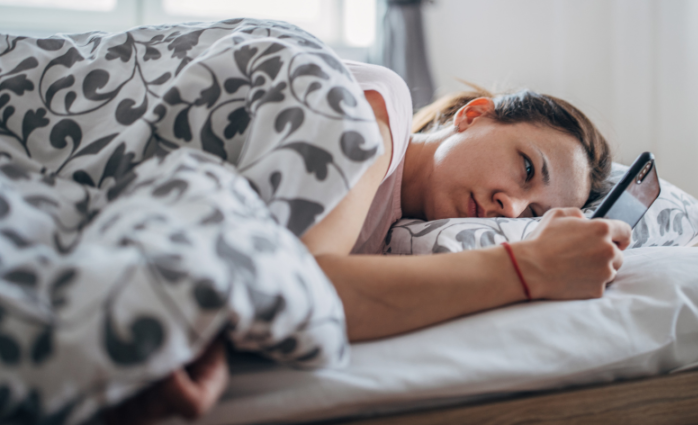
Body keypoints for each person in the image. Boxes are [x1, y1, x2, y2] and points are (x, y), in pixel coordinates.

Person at [105, 62, 631, 424]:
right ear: (474, 115)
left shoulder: (389, 234)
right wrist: (532, 266)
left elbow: (266, 263)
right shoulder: (378, 114)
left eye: (533, 214)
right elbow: (309, 286)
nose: (510, 208)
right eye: (525, 169)